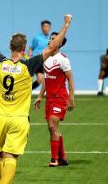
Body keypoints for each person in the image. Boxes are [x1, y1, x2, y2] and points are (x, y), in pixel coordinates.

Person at [0, 5, 73, 184]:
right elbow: (53, 47)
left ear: (9, 46)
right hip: (19, 118)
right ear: (24, 48)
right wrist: (66, 24)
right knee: (11, 156)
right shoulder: (29, 65)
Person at [33, 32, 75, 167]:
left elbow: (70, 79)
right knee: (53, 128)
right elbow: (47, 79)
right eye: (50, 38)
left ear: (59, 43)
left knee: (52, 125)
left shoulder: (63, 59)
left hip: (60, 98)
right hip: (49, 99)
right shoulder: (46, 58)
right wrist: (40, 96)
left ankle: (54, 159)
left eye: (53, 39)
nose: (50, 40)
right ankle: (63, 158)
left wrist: (71, 98)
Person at [28, 20, 52, 90]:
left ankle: (47, 93)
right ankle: (26, 91)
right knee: (36, 79)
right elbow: (31, 48)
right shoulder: (37, 38)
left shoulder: (51, 39)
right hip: (37, 61)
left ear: (50, 27)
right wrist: (29, 58)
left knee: (44, 79)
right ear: (41, 27)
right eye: (44, 26)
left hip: (46, 61)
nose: (46, 28)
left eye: (47, 26)